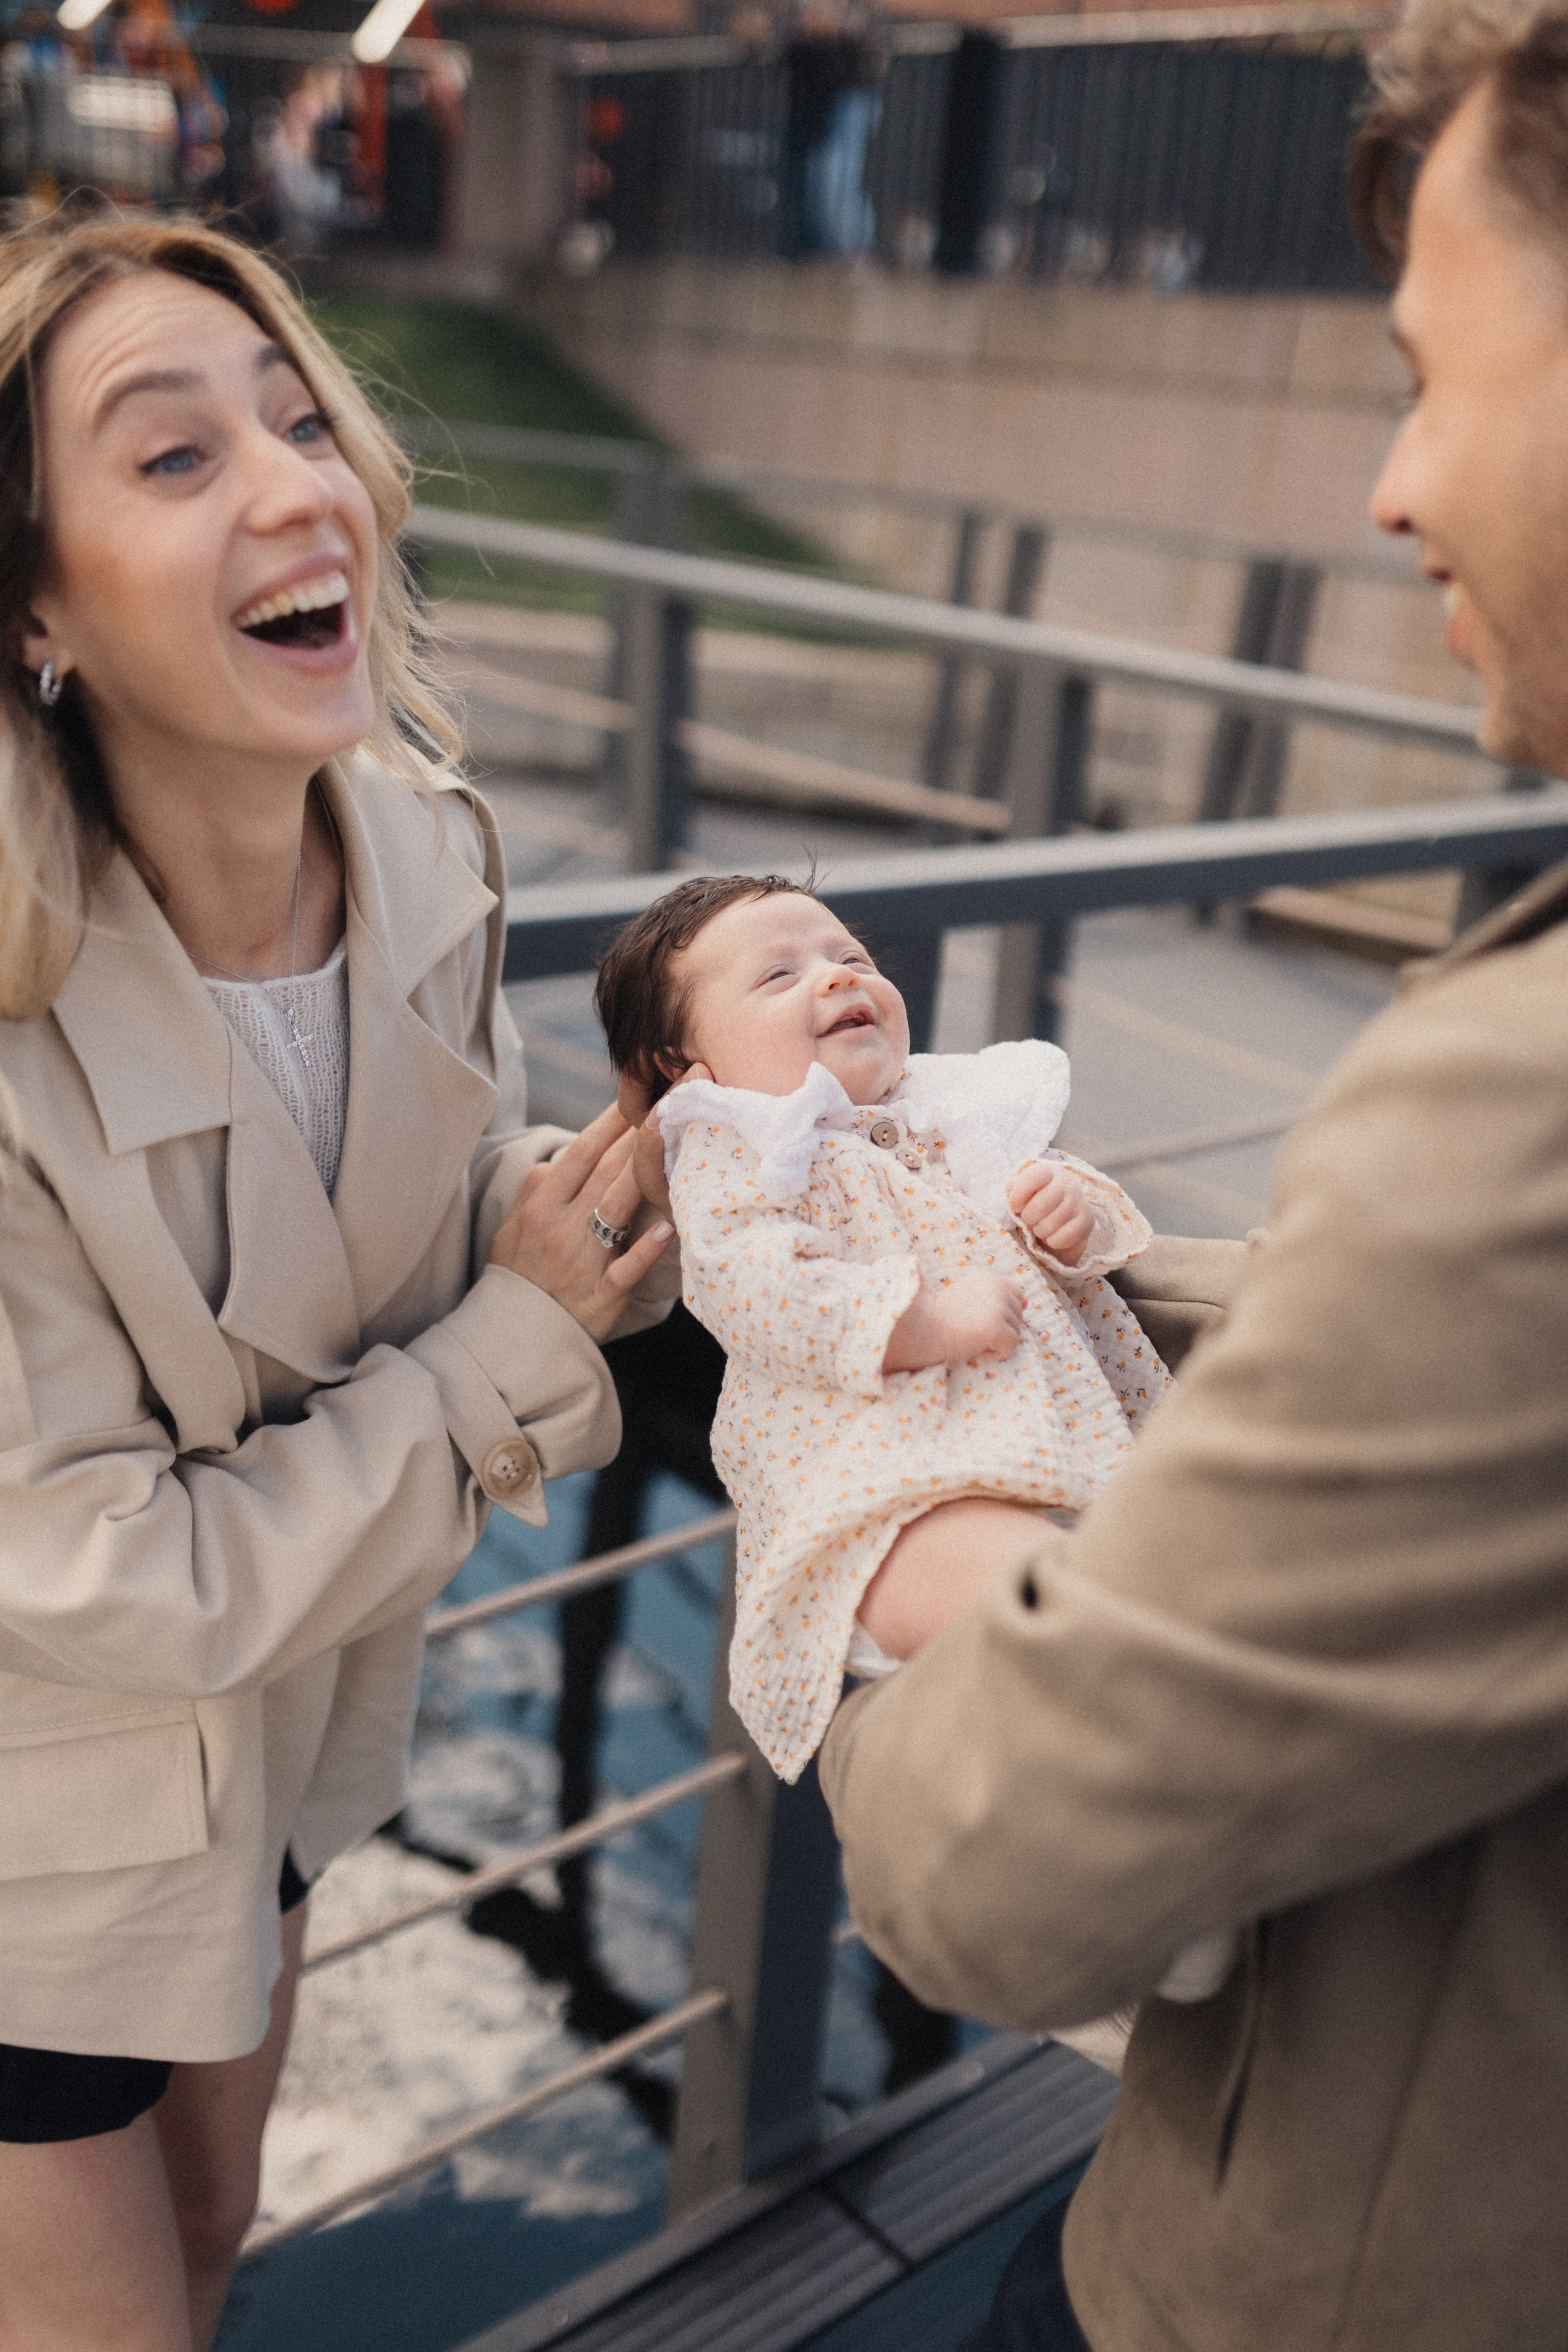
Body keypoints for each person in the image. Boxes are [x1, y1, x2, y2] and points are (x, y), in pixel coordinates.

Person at [816, 3, 1568, 2346]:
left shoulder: (1513, 1113)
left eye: (1437, 371)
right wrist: (1148, 1301)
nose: (1390, 482)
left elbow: (991, 1880)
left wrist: (854, 1568)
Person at [0, 215, 673, 2352]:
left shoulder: (429, 852)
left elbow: (399, 1210)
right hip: (31, 1832)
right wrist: (519, 1342)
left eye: (304, 419)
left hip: (284, 1763)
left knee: (207, 2263)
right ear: (34, 607)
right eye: (177, 457)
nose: (309, 486)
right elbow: (110, 1566)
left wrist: (621, 1202)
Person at [596, 873, 1170, 1782]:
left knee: (1149, 1616)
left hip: (1056, 1458)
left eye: (849, 957)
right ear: (683, 1066)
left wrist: (1074, 1214)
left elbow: (1081, 1228)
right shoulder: (736, 1146)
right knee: (1097, 1630)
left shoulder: (946, 1108)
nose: (835, 978)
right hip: (888, 1503)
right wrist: (922, 1320)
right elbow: (757, 1289)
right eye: (778, 977)